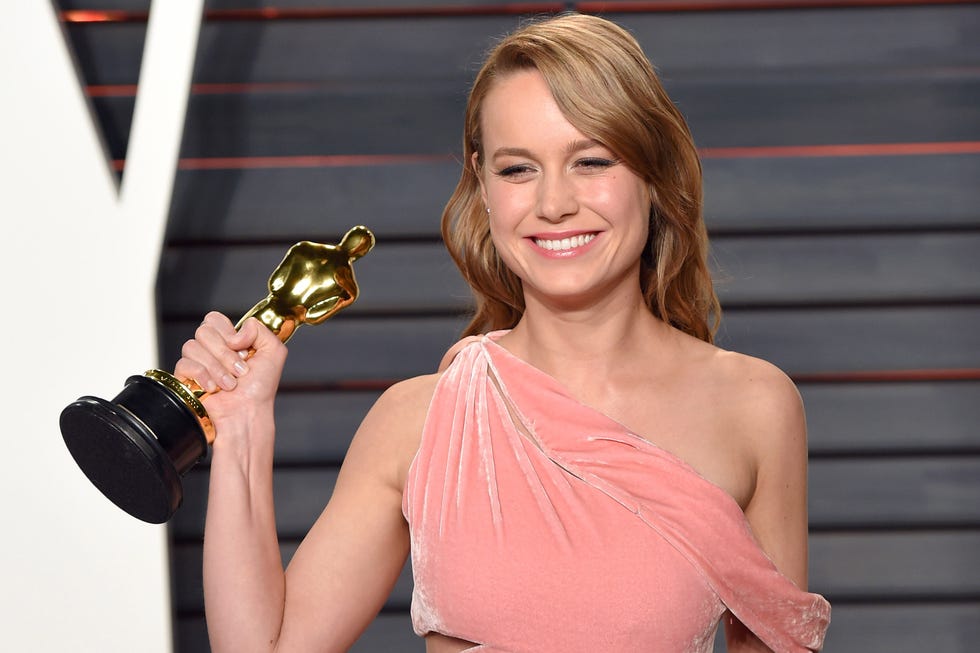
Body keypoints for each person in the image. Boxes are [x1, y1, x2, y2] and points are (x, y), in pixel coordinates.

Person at [176, 12, 830, 653]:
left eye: (591, 161)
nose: (553, 204)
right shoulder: (416, 419)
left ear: (653, 176)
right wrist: (241, 430)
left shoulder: (753, 406)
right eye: (518, 169)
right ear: (483, 188)